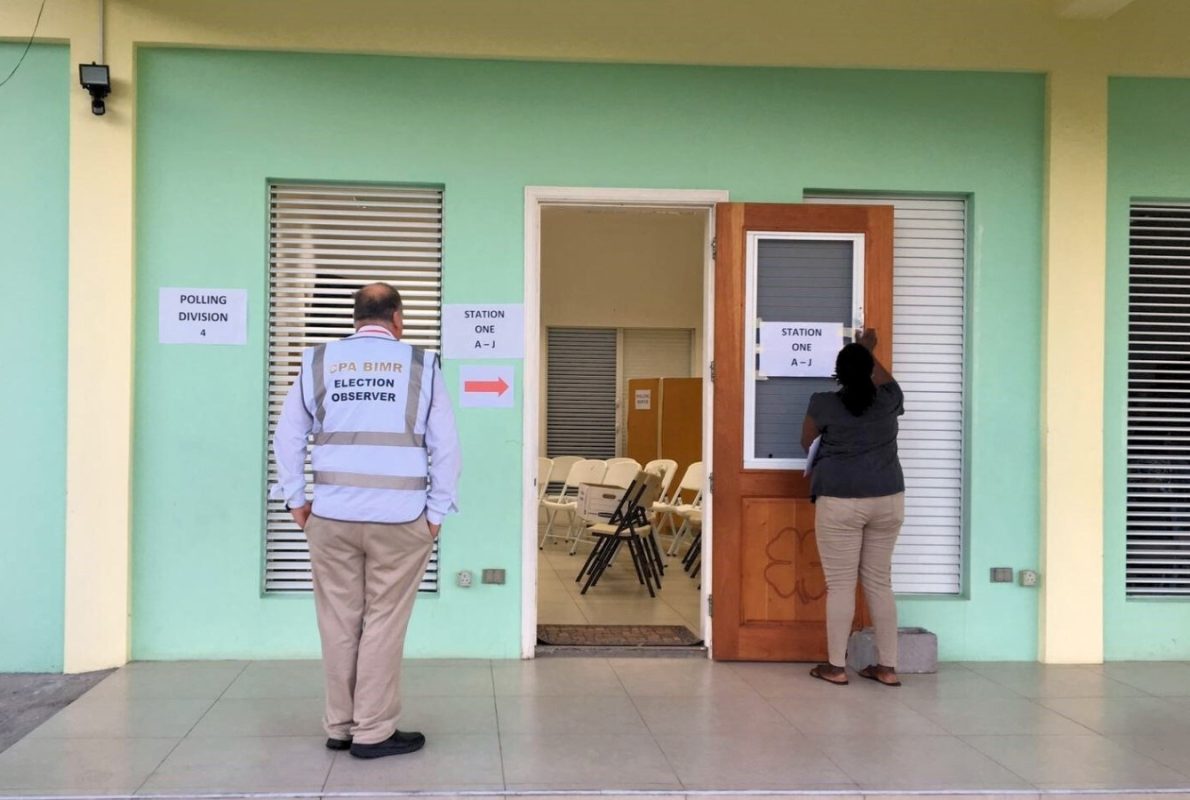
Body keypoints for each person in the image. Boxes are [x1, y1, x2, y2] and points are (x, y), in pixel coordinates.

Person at [270, 282, 461, 758]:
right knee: (383, 622)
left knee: (338, 621)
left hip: (331, 516)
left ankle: (340, 725)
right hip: (399, 519)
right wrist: (436, 513)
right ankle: (372, 731)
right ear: (397, 317)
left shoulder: (319, 361)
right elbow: (447, 447)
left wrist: (297, 501)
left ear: (355, 317)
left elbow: (287, 435)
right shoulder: (421, 364)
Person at [801, 328, 904, 687]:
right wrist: (868, 349)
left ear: (838, 374)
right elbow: (886, 381)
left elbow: (806, 443)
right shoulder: (889, 399)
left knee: (841, 585)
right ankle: (887, 667)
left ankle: (835, 666)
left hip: (839, 501)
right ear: (870, 370)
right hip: (888, 500)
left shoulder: (823, 403)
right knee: (879, 583)